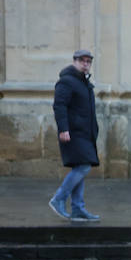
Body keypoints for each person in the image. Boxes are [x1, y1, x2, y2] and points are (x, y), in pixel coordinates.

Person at [49, 50, 100, 222]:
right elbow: (59, 106)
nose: (85, 64)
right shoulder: (67, 81)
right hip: (72, 133)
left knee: (80, 167)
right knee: (84, 166)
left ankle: (78, 208)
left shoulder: (84, 83)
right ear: (74, 61)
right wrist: (63, 129)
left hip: (85, 133)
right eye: (82, 61)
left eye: (88, 61)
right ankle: (58, 199)